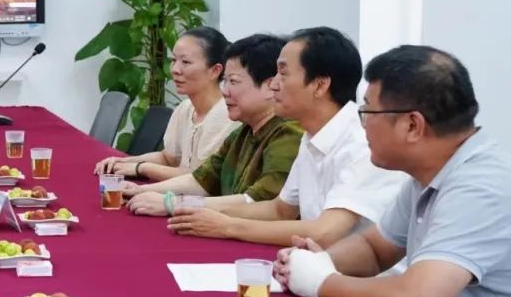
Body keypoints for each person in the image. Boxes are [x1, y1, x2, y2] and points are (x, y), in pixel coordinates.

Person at [274, 46, 511, 297]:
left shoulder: (480, 185)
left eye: (367, 112)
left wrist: (320, 282)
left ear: (412, 125)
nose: (362, 125)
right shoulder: (430, 172)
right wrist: (319, 262)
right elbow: (374, 249)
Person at [166, 27, 408, 246]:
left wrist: (227, 227)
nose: (273, 85)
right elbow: (280, 210)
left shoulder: (362, 143)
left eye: (283, 74)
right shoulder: (312, 135)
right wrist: (197, 211)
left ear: (319, 85)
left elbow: (325, 232)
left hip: (360, 276)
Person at [124, 34, 304, 215]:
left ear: (269, 86)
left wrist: (172, 203)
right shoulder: (245, 130)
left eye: (233, 82)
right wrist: (141, 190)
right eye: (225, 81)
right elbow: (202, 180)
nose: (224, 91)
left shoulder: (288, 134)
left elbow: (257, 201)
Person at [94, 27, 239, 180]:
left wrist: (141, 168)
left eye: (185, 62)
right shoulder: (185, 108)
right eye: (174, 60)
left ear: (215, 70)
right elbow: (168, 159)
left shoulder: (227, 116)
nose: (175, 69)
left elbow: (200, 178)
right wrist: (123, 162)